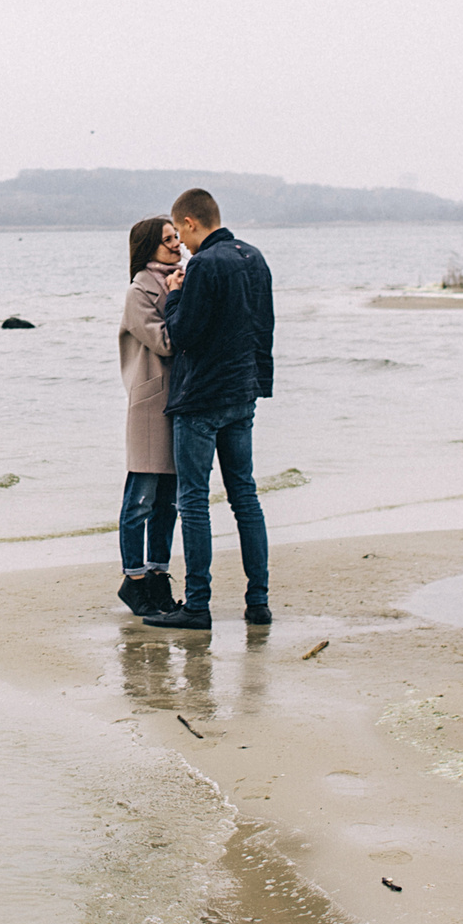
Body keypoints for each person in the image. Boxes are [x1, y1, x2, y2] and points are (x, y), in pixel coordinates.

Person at [143, 187, 276, 629]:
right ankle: (258, 602)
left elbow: (183, 335)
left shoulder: (203, 265)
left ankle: (197, 606)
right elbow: (263, 327)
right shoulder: (254, 257)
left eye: (180, 232)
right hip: (243, 393)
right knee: (245, 497)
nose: (181, 242)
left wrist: (177, 293)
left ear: (189, 223)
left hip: (201, 398)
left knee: (194, 501)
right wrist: (258, 383)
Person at [114, 216, 183, 614]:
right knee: (140, 496)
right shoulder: (139, 292)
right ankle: (134, 579)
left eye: (177, 237)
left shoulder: (179, 279)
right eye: (167, 240)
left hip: (178, 401)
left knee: (168, 501)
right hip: (149, 403)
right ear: (147, 247)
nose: (177, 245)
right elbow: (166, 341)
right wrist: (176, 297)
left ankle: (158, 574)